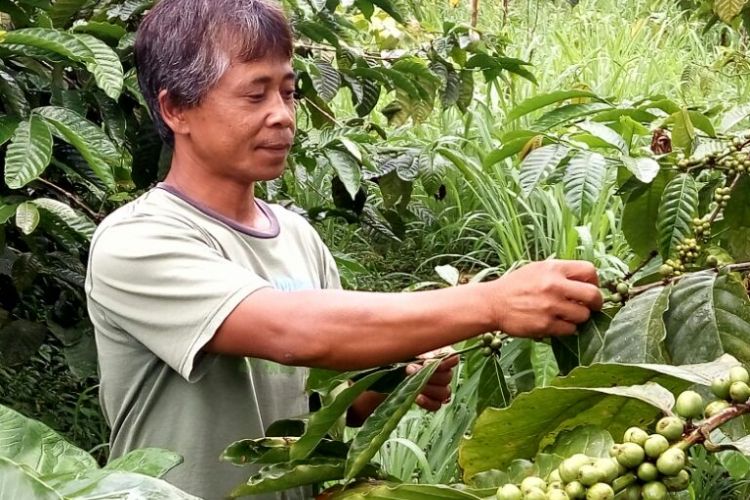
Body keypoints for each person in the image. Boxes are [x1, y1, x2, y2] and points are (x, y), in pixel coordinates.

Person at [84, 0, 603, 498]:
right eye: (254, 94)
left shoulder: (296, 236)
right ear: (177, 109)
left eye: (287, 93)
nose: (282, 115)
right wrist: (491, 303)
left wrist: (393, 376)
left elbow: (333, 400)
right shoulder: (136, 242)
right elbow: (295, 332)